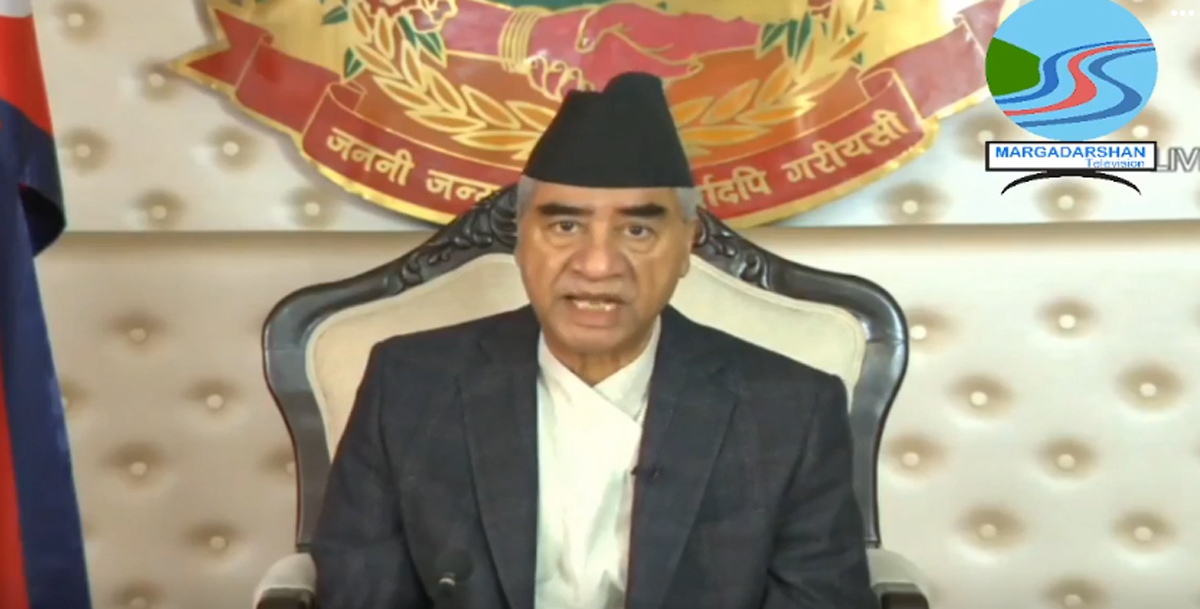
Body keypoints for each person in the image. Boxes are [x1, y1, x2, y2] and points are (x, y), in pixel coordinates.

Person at [311, 71, 878, 609]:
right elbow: (363, 592)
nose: (598, 264)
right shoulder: (409, 385)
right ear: (521, 239)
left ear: (687, 244)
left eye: (638, 229)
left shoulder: (791, 409)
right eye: (565, 226)